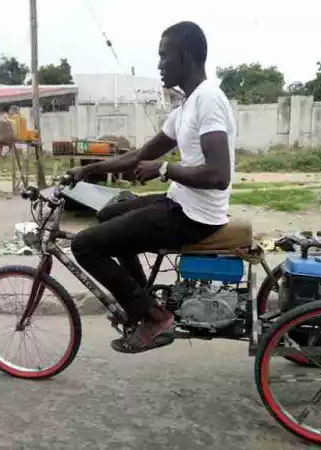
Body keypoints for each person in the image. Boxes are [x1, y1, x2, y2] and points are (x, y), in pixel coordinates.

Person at [69, 21, 236, 354]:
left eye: (164, 56)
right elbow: (141, 154)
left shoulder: (209, 100)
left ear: (185, 57)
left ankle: (153, 317)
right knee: (108, 214)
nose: (159, 65)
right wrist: (89, 170)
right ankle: (142, 297)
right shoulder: (186, 106)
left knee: (84, 246)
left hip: (196, 216)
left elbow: (219, 175)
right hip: (182, 202)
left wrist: (164, 169)